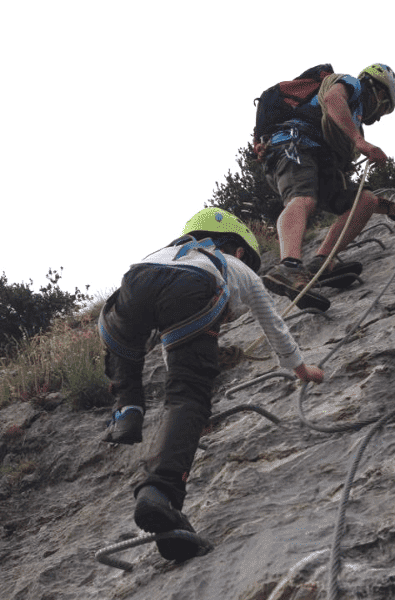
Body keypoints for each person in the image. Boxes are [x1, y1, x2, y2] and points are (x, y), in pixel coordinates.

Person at [98, 207, 324, 561]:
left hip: (133, 284)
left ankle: (128, 406)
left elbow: (169, 341)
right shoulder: (238, 268)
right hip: (194, 287)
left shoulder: (162, 254)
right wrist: (301, 368)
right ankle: (160, 493)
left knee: (127, 341)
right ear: (239, 252)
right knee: (189, 393)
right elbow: (273, 324)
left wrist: (182, 410)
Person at [256, 63, 395, 311]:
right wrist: (360, 142)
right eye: (384, 108)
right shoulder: (351, 84)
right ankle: (289, 266)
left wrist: (390, 208)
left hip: (320, 157)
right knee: (303, 198)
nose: (379, 117)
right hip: (293, 143)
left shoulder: (350, 123)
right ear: (380, 93)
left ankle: (321, 263)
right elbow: (332, 98)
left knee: (365, 200)